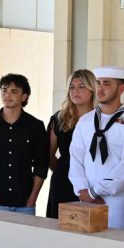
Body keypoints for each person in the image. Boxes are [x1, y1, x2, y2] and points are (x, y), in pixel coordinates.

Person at [69, 66, 124, 229]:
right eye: (98, 83)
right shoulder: (85, 121)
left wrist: (95, 192)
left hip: (116, 200)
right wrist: (83, 190)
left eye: (106, 84)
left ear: (121, 88)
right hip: (85, 197)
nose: (100, 88)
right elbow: (75, 158)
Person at [0, 73, 49, 215]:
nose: (7, 95)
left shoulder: (36, 126)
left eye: (14, 91)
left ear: (24, 96)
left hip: (24, 204)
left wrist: (32, 199)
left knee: (24, 238)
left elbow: (41, 165)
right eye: (4, 90)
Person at [46, 69, 97, 218]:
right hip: (63, 179)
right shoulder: (59, 118)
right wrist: (63, 170)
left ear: (92, 89)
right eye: (72, 87)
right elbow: (48, 154)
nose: (75, 91)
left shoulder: (102, 119)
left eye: (82, 86)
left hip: (93, 183)